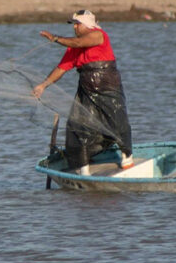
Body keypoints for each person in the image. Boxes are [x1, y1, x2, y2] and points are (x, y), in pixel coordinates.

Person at [32, 10, 133, 175]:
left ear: (87, 24)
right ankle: (84, 167)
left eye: (77, 24)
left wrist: (56, 38)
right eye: (74, 24)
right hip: (86, 87)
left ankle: (127, 156)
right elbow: (61, 68)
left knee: (115, 118)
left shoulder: (99, 35)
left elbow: (79, 43)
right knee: (78, 124)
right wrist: (43, 85)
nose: (75, 28)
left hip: (107, 84)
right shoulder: (73, 47)